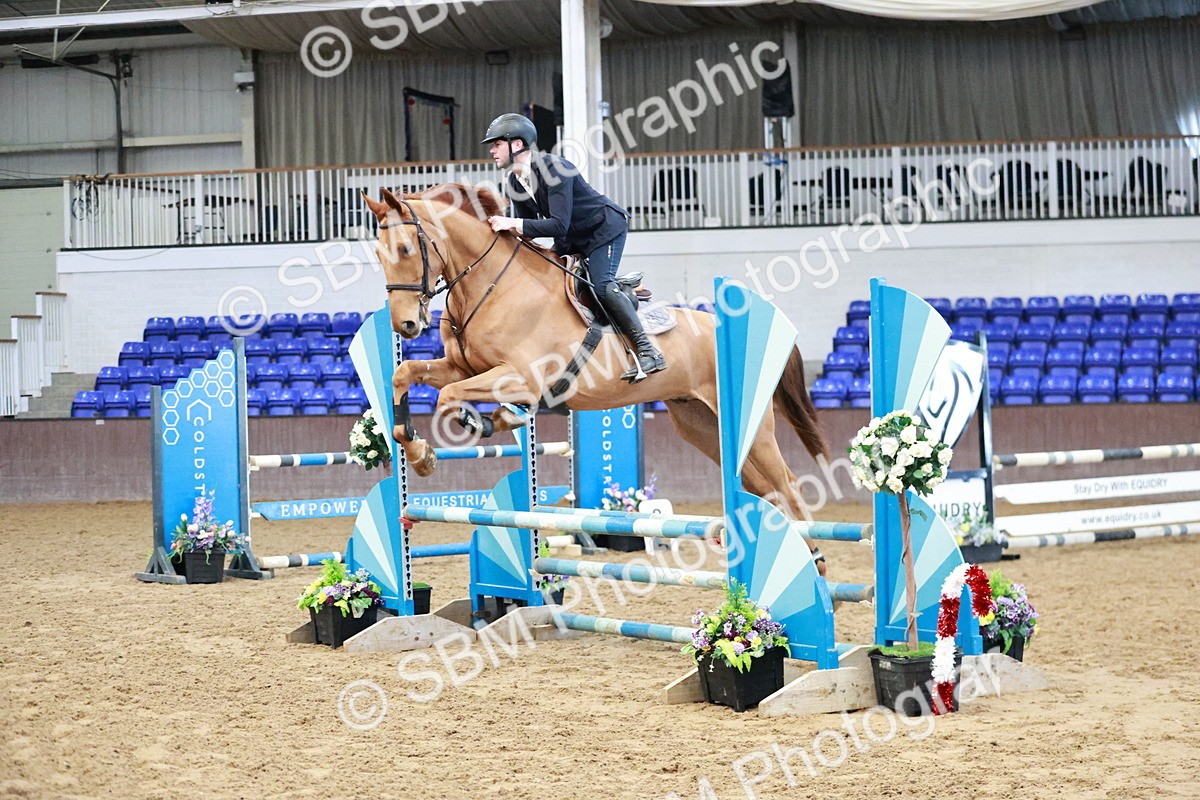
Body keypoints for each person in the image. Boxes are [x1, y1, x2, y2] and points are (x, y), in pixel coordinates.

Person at [481, 112, 667, 382]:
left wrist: (511, 222)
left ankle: (649, 352)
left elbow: (557, 225)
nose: (492, 151)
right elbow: (528, 228)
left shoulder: (555, 169)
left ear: (517, 144)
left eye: (496, 144)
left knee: (602, 285)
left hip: (603, 229)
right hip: (572, 237)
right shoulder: (514, 181)